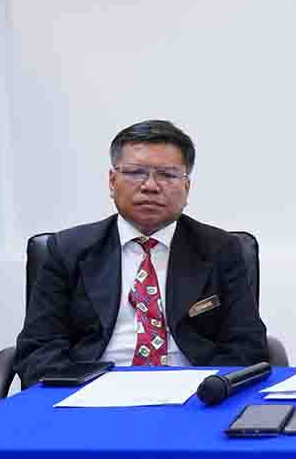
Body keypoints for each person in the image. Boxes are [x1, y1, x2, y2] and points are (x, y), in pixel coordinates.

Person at [14, 120, 268, 387]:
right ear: (112, 182)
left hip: (193, 395)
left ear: (187, 188)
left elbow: (246, 347)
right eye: (135, 173)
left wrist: (207, 391)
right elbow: (38, 349)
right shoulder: (67, 249)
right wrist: (81, 391)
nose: (150, 186)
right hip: (91, 392)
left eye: (168, 175)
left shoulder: (221, 249)